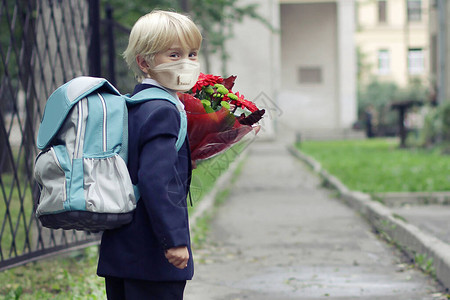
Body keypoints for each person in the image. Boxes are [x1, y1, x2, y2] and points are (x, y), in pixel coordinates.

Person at [97, 10, 202, 299]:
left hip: (122, 250)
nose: (186, 62)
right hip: (152, 254)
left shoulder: (133, 105)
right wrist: (174, 240)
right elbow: (157, 181)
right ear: (144, 62)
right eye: (173, 54)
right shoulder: (163, 110)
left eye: (192, 54)